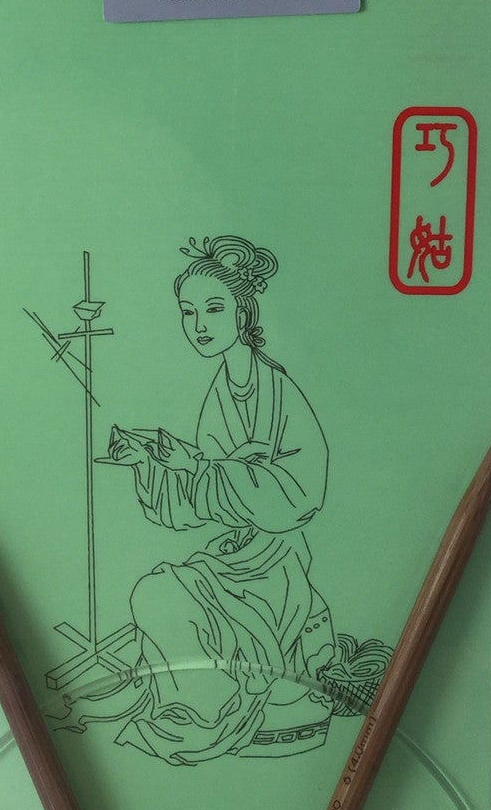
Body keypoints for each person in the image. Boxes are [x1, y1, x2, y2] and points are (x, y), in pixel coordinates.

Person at [72, 236, 334, 764]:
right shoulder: (219, 394)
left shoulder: (277, 389)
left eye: (214, 308)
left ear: (243, 312)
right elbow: (205, 499)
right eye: (188, 311)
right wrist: (152, 462)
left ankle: (215, 709)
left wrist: (200, 464)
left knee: (174, 600)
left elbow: (302, 489)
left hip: (277, 561)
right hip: (233, 554)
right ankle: (191, 704)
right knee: (152, 592)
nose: (199, 324)